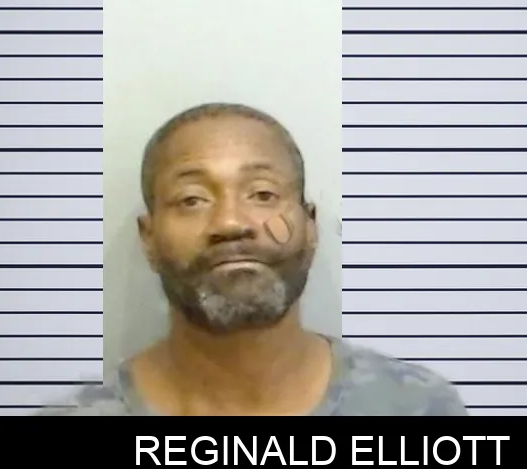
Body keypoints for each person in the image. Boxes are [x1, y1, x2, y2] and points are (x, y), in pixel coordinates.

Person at [41, 103, 468, 416]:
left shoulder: (417, 408)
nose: (231, 222)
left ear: (310, 226)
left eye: (263, 194)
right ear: (148, 239)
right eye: (192, 199)